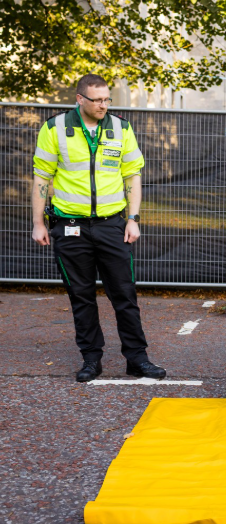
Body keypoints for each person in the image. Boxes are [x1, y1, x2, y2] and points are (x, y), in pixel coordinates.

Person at [31, 73, 165, 382]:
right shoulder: (55, 129)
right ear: (80, 99)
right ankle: (91, 360)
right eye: (97, 99)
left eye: (107, 99)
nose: (104, 104)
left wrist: (133, 218)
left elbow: (132, 176)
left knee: (125, 295)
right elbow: (42, 178)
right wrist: (38, 223)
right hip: (70, 227)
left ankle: (137, 359)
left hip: (111, 226)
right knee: (81, 296)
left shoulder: (121, 128)